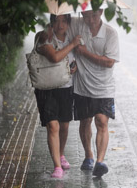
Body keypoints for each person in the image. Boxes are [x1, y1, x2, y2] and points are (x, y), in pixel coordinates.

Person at [68, 8, 120, 177]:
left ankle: (100, 161)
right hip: (82, 85)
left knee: (101, 121)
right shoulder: (77, 25)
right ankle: (88, 155)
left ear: (101, 11)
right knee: (85, 122)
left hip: (104, 87)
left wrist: (84, 53)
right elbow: (59, 31)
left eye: (94, 16)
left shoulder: (110, 34)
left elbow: (110, 62)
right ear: (82, 14)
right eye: (87, 16)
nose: (91, 20)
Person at [33, 14, 82, 179]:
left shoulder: (71, 37)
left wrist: (73, 67)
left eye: (63, 21)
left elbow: (72, 60)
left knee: (64, 126)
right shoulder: (44, 38)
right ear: (51, 22)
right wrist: (73, 44)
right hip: (47, 89)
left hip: (66, 88)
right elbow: (54, 57)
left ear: (68, 23)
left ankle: (60, 154)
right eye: (56, 21)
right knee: (53, 126)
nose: (60, 25)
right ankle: (57, 166)